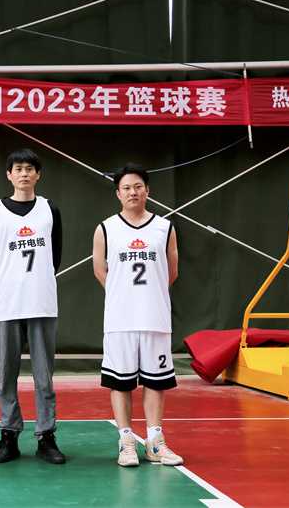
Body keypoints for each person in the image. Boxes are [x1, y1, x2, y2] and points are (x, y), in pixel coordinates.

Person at [91, 163, 183, 467]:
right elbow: (100, 270)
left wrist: (148, 296)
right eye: (127, 188)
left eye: (138, 186)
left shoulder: (165, 227)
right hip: (120, 320)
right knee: (120, 382)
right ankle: (127, 443)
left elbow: (171, 272)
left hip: (155, 317)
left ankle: (155, 443)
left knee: (157, 380)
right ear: (118, 194)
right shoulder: (106, 228)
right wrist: (124, 296)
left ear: (147, 190)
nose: (133, 192)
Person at [0, 148, 65, 464]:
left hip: (41, 303)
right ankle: (9, 435)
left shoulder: (50, 209)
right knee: (7, 375)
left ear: (38, 174)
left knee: (44, 377)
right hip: (7, 304)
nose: (24, 173)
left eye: (30, 168)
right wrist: (11, 283)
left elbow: (55, 255)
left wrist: (35, 282)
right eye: (18, 168)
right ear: (9, 174)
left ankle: (46, 436)